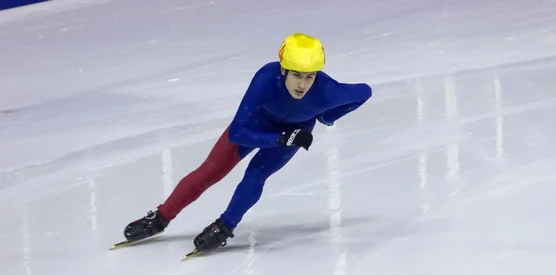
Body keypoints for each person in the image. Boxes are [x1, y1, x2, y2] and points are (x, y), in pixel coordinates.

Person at [122, 32, 372, 252]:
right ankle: (160, 217)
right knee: (209, 172)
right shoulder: (266, 78)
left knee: (256, 174)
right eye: (297, 75)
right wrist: (281, 138)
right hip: (259, 124)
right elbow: (237, 133)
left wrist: (328, 116)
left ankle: (225, 226)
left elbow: (364, 92)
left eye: (310, 77)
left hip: (296, 130)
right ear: (283, 69)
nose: (303, 84)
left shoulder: (328, 90)